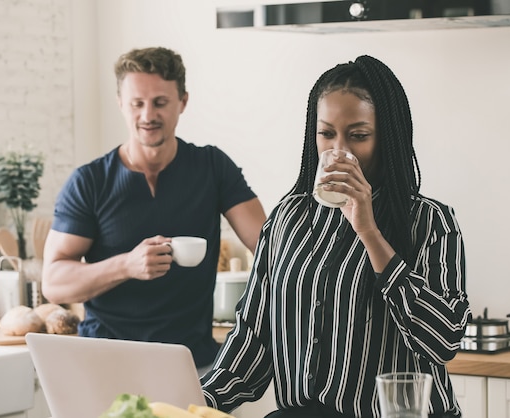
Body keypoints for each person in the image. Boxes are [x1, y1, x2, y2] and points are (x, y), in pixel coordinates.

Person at [200, 55, 471, 417]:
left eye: (358, 135)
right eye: (326, 133)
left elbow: (445, 341)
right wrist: (197, 402)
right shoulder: (286, 220)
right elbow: (253, 339)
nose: (338, 151)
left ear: (387, 138)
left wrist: (369, 231)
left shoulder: (430, 222)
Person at [41, 46, 267, 370]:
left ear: (183, 102)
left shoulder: (212, 168)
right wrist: (126, 266)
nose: (148, 115)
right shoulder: (89, 181)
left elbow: (270, 245)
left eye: (160, 102)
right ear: (121, 103)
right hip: (104, 363)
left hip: (192, 363)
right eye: (137, 103)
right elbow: (53, 282)